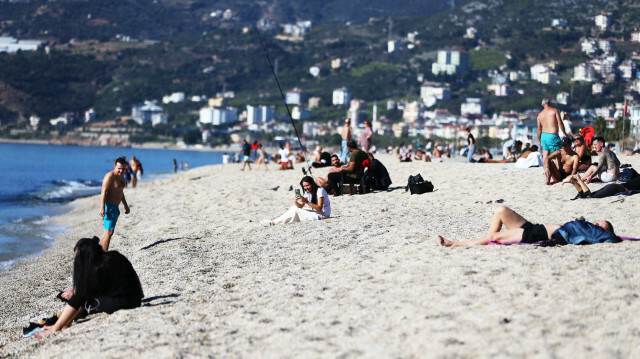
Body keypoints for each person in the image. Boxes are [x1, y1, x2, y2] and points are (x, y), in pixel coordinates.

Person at [35, 237, 143, 337]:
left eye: (78, 256)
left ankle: (58, 327)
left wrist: (56, 327)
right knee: (84, 297)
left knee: (87, 301)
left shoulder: (97, 268)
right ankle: (65, 324)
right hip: (135, 299)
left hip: (125, 304)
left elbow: (79, 298)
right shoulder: (111, 256)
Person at [437, 206, 617, 247]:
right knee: (500, 210)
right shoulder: (583, 227)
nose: (595, 223)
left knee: (494, 237)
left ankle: (454, 244)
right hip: (532, 227)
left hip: (535, 235)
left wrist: (605, 232)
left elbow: (607, 238)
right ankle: (489, 243)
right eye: (597, 221)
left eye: (600, 226)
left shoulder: (591, 233)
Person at [261, 176, 331, 226]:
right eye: (304, 186)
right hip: (317, 212)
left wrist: (306, 202)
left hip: (323, 215)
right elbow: (300, 206)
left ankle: (273, 223)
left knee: (295, 210)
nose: (306, 188)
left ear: (312, 184)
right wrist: (296, 201)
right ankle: (274, 221)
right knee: (294, 208)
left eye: (308, 185)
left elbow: (319, 208)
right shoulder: (308, 192)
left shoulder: (320, 191)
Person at [99, 157, 130, 251]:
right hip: (109, 206)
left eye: (123, 169)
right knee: (109, 232)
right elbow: (103, 192)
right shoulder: (110, 176)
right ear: (115, 166)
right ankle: (103, 254)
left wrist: (125, 204)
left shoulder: (121, 176)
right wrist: (102, 208)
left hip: (115, 207)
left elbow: (120, 191)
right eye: (119, 168)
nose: (121, 171)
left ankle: (100, 252)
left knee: (107, 233)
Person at [537, 98, 567, 176]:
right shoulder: (554, 110)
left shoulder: (540, 115)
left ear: (542, 104)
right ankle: (559, 171)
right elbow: (560, 122)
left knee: (545, 154)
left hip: (544, 136)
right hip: (552, 135)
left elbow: (539, 129)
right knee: (557, 154)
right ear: (550, 102)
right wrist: (564, 132)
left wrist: (539, 139)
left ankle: (546, 171)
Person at [564, 172, 640, 200]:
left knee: (584, 195)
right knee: (589, 196)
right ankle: (578, 179)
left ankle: (573, 182)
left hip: (614, 186)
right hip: (617, 188)